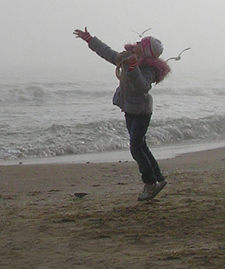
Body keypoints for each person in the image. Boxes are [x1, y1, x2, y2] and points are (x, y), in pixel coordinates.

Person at [73, 27, 171, 201]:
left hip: (141, 112)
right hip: (130, 109)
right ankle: (159, 179)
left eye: (143, 42)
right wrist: (90, 39)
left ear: (147, 50)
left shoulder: (149, 68)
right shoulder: (127, 58)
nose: (138, 42)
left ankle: (150, 183)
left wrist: (133, 68)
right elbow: (108, 53)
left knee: (136, 148)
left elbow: (142, 86)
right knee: (141, 146)